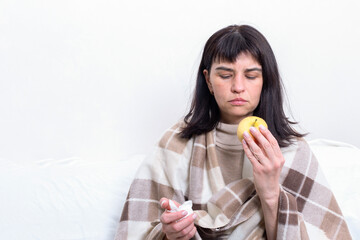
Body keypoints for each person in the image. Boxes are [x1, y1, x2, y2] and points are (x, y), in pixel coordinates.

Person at [114, 25, 352, 239]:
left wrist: (270, 195)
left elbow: (324, 233)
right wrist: (171, 235)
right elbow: (138, 231)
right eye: (225, 75)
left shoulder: (293, 151)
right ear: (208, 80)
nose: (238, 87)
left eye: (251, 76)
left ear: (265, 81)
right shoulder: (176, 144)